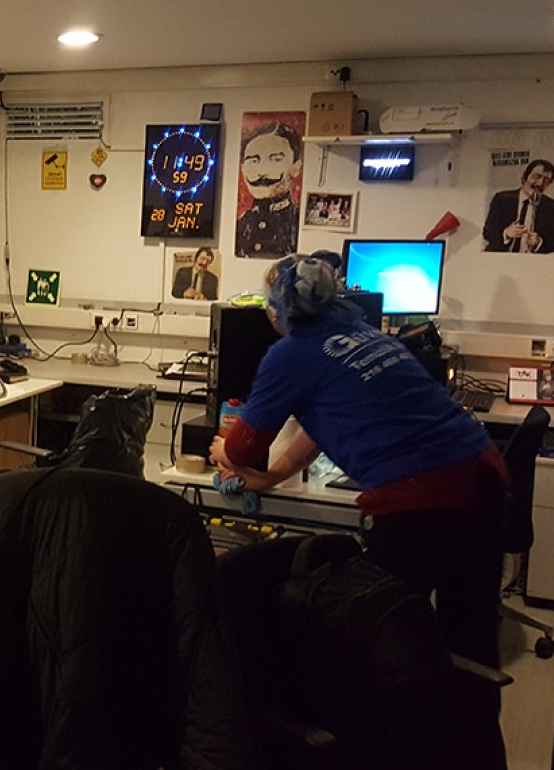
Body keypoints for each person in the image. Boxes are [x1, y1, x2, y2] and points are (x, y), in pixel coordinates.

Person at [208, 253, 510, 763]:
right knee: (470, 639)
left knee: (382, 638)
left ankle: (389, 751)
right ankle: (479, 756)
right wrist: (277, 474)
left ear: (279, 307)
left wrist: (225, 453)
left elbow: (241, 447)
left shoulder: (291, 353)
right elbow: (319, 418)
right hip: (482, 477)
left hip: (422, 496)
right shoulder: (362, 331)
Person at [234, 122, 301, 258]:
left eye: (276, 160)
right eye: (253, 161)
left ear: (296, 168)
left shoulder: (297, 222)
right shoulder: (240, 224)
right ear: (243, 169)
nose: (262, 172)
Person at [483, 158, 554, 253]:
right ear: (525, 178)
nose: (540, 183)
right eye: (537, 176)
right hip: (500, 258)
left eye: (547, 180)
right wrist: (506, 233)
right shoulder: (502, 199)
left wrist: (539, 242)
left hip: (532, 260)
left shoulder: (553, 208)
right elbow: (488, 232)